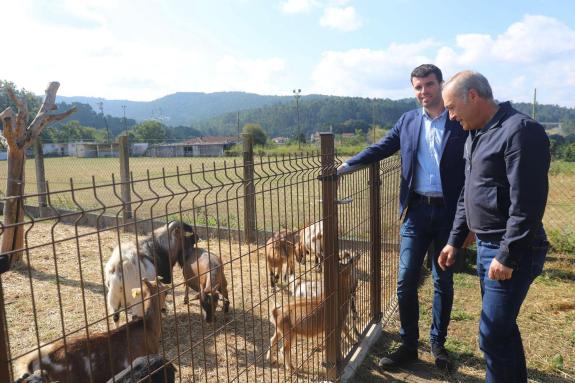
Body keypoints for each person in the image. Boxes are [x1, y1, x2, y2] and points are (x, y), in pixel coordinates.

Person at [337, 64, 468, 370]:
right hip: (416, 211)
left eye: (429, 85)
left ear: (441, 84)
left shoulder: (459, 120)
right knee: (405, 281)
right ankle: (409, 344)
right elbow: (382, 147)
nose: (424, 92)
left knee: (442, 282)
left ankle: (438, 344)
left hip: (451, 213)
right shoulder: (408, 121)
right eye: (418, 87)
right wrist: (347, 165)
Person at [439, 71, 550, 382]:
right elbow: (468, 192)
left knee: (491, 334)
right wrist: (454, 239)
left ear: (472, 96)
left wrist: (508, 255)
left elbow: (527, 203)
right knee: (501, 331)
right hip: (487, 247)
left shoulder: (520, 131)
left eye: (452, 107)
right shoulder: (475, 134)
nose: (450, 116)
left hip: (511, 250)